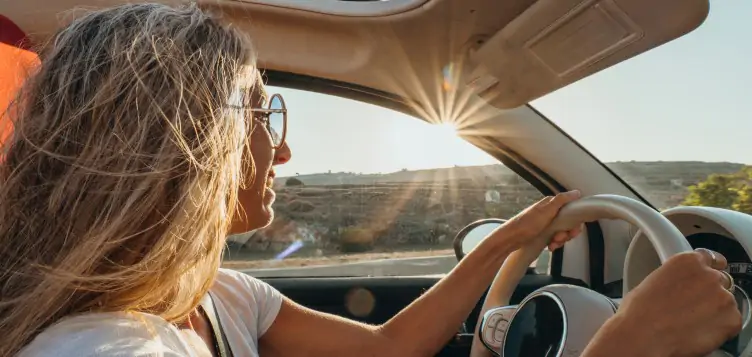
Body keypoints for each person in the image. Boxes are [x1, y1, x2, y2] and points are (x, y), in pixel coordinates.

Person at [0, 3, 740, 357]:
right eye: (267, 117)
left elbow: (387, 347)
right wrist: (630, 344)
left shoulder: (218, 292)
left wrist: (510, 238)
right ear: (195, 143)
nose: (282, 155)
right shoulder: (100, 350)